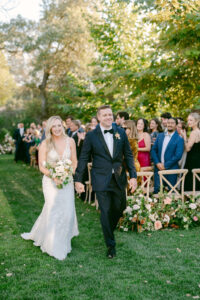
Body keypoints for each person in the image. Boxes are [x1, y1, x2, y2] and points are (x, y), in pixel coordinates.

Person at [75, 105, 137, 259]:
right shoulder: (91, 135)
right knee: (106, 210)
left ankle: (109, 228)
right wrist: (78, 180)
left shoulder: (120, 132)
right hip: (100, 178)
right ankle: (111, 245)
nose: (109, 117)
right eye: (105, 115)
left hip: (118, 177)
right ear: (99, 118)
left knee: (120, 207)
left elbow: (128, 156)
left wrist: (133, 176)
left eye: (110, 114)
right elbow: (83, 158)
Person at [21, 116, 79, 260]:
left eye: (60, 125)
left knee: (68, 212)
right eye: (54, 126)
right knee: (53, 209)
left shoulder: (70, 141)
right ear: (50, 128)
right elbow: (41, 166)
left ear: (63, 126)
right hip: (50, 182)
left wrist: (67, 173)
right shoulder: (45, 144)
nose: (57, 129)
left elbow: (74, 161)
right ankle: (53, 245)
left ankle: (64, 240)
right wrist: (54, 175)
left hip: (66, 181)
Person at [151, 117, 184, 194]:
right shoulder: (160, 136)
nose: (170, 124)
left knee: (171, 193)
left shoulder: (179, 139)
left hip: (171, 170)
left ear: (176, 125)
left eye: (172, 123)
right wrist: (157, 163)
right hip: (158, 169)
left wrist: (165, 165)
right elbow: (153, 150)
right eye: (169, 123)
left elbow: (178, 155)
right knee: (157, 192)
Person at [182, 113, 200, 191]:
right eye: (188, 120)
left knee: (191, 182)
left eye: (191, 120)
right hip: (197, 159)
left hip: (192, 161)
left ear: (196, 121)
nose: (188, 122)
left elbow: (188, 148)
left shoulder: (194, 132)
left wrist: (184, 137)